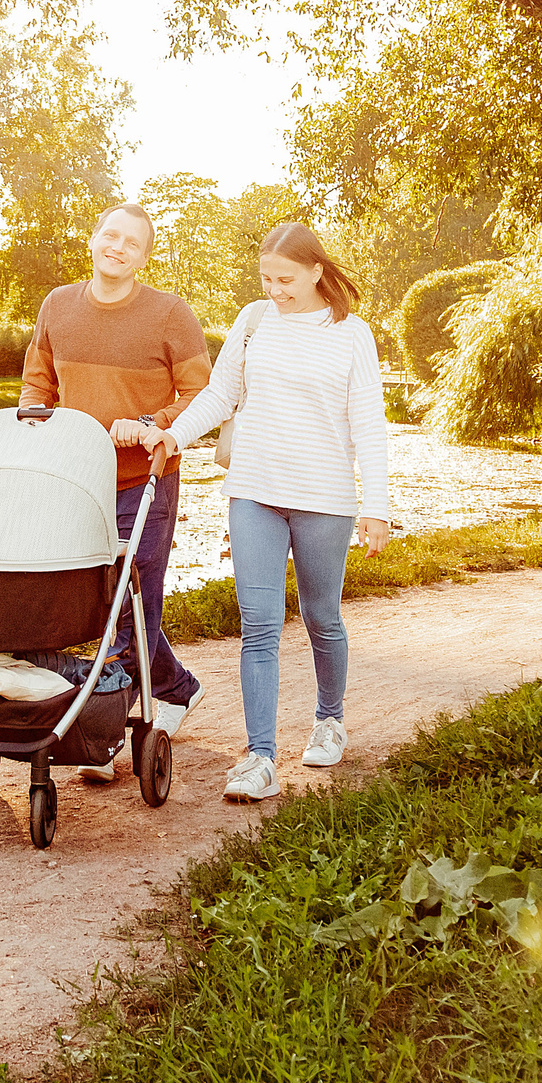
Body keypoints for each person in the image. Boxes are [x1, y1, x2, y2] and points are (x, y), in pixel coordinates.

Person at [153, 222, 390, 803]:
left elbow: (369, 425)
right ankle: (260, 758)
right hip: (254, 490)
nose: (275, 289)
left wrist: (377, 506)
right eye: (266, 277)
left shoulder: (351, 333)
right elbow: (218, 395)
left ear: (316, 271)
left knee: (321, 618)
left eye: (285, 278)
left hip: (324, 500)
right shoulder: (254, 321)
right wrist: (175, 436)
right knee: (258, 625)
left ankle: (329, 719)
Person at [21, 200, 212, 780]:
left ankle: (107, 728)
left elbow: (200, 392)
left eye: (132, 242)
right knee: (94, 597)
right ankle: (175, 686)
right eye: (111, 235)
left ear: (144, 256)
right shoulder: (58, 305)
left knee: (136, 593)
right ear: (94, 239)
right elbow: (38, 379)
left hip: (140, 476)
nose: (118, 247)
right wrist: (32, 420)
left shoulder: (169, 314)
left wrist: (156, 424)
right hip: (76, 478)